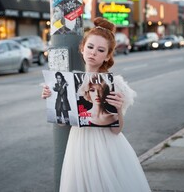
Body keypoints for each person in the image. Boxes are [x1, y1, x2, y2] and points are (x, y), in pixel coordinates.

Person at [42, 17, 151, 192]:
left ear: (107, 55)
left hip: (106, 146)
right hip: (78, 145)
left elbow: (116, 130)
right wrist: (53, 99)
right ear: (82, 48)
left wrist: (117, 110)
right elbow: (63, 122)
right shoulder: (70, 82)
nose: (93, 53)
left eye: (100, 50)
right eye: (90, 47)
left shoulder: (114, 83)